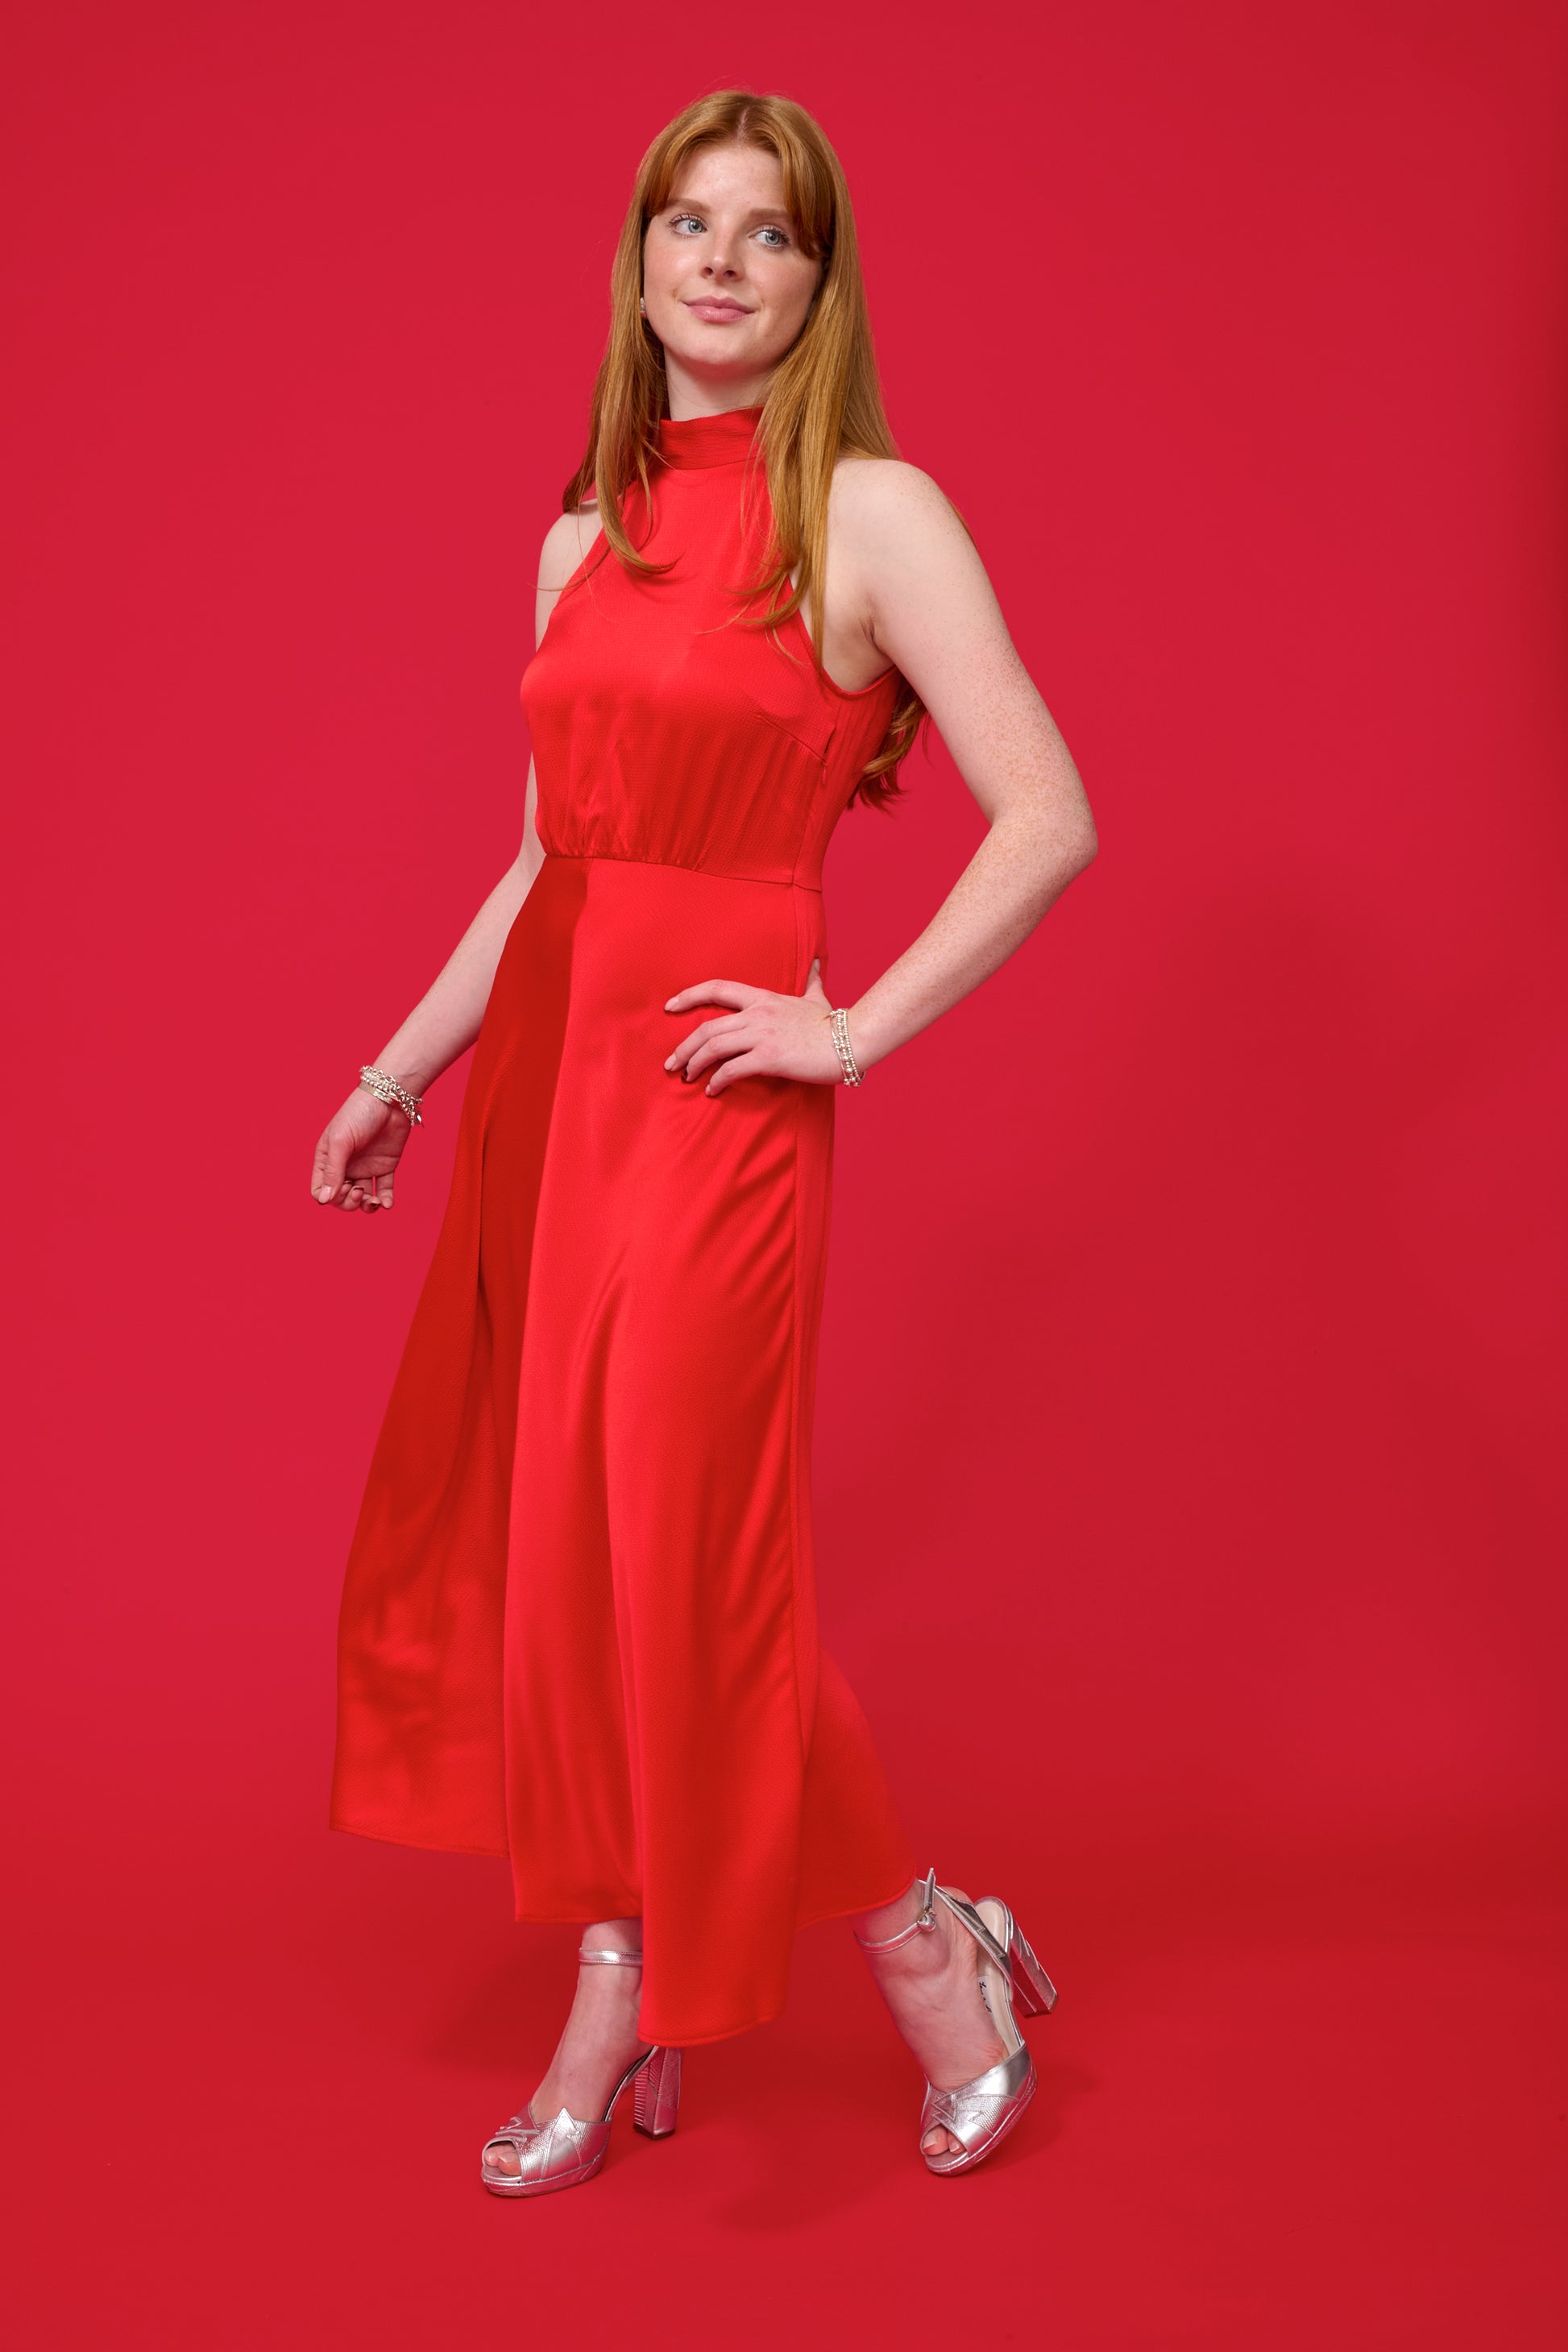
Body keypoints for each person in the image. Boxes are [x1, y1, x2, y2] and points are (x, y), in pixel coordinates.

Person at [311, 87, 1097, 2196]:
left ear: (820, 282)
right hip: (547, 1086)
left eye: (769, 230)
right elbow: (539, 867)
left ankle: (924, 1950)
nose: (722, 261)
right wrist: (399, 1072)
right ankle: (623, 1966)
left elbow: (1047, 814)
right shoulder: (582, 533)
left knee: (694, 1564)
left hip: (714, 1102)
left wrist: (848, 1031)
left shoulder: (874, 514)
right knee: (571, 1568)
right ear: (638, 260)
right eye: (688, 221)